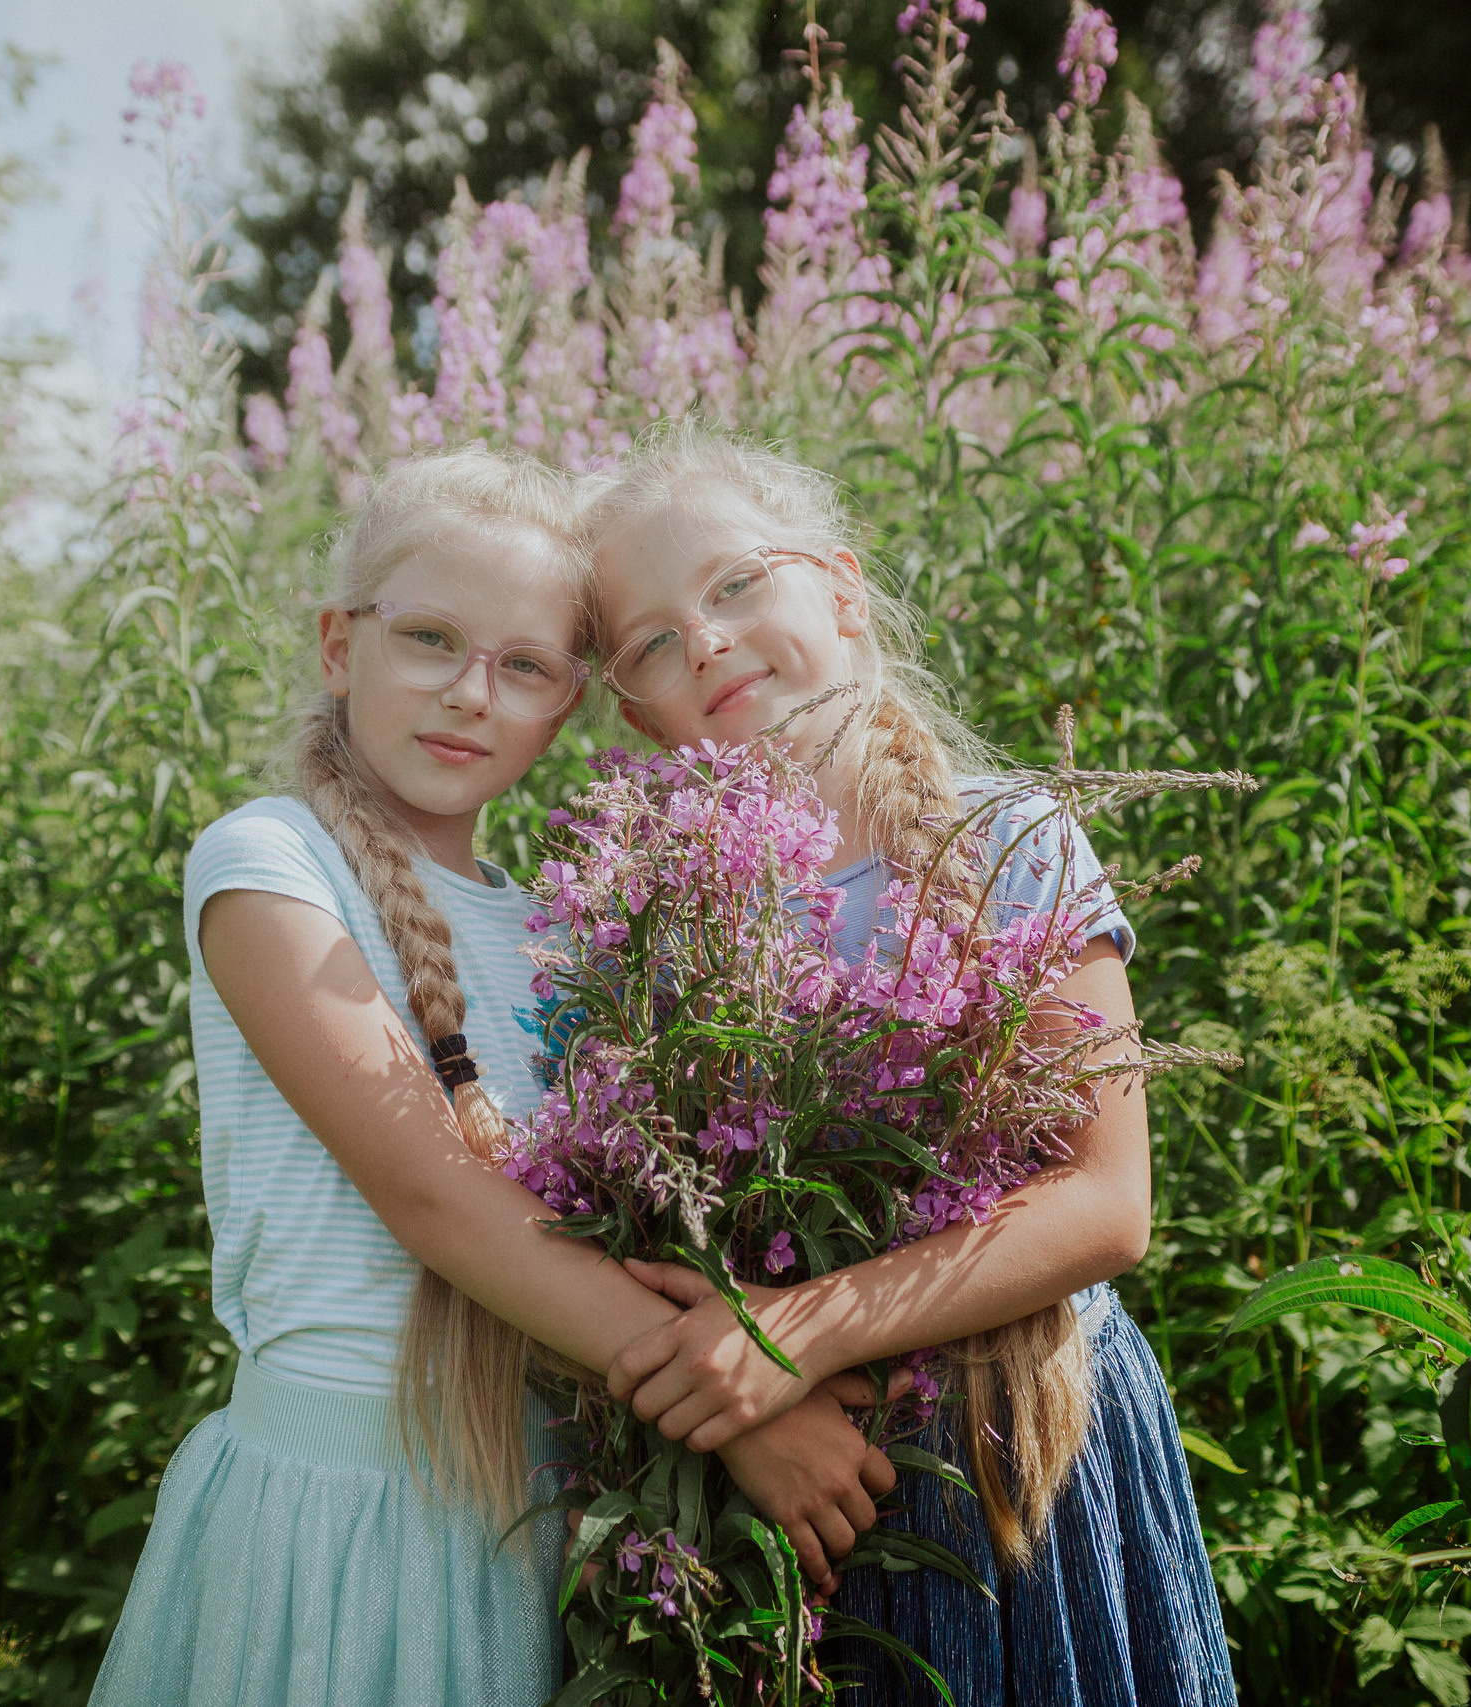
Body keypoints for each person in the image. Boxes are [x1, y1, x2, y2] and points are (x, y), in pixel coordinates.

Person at [90, 446, 897, 1707]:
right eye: (428, 640)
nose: (471, 695)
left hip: (538, 1519)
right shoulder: (269, 865)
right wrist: (741, 1403)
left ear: (569, 704)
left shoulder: (563, 937)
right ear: (337, 646)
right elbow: (437, 1201)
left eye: (523, 666)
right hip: (341, 1517)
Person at [575, 425, 1239, 1707]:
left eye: (733, 586)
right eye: (651, 640)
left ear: (839, 585)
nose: (702, 641)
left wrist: (792, 1340)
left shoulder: (1007, 841)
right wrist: (755, 1412)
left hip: (1025, 1459)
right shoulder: (653, 925)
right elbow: (630, 1226)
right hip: (791, 1505)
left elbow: (1108, 1207)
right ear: (633, 712)